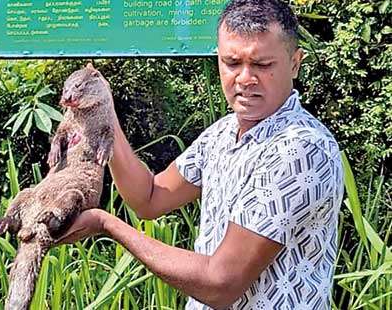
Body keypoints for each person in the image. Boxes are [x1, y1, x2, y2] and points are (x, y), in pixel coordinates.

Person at [56, 0, 344, 308]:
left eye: (262, 65)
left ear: (295, 63)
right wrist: (104, 114)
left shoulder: (300, 148)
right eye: (232, 63)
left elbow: (221, 283)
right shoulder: (223, 133)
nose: (245, 78)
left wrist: (107, 224)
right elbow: (149, 198)